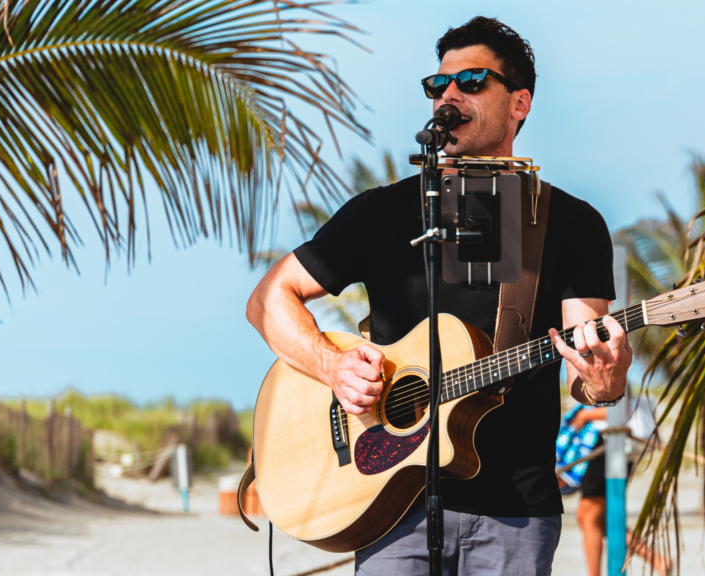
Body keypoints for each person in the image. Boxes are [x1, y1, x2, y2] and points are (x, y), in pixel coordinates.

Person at [246, 16, 631, 576]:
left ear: (519, 103)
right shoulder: (383, 212)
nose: (449, 95)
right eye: (439, 85)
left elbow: (586, 361)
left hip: (515, 515)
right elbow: (269, 298)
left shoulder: (571, 224)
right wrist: (332, 366)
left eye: (472, 81)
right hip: (389, 503)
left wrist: (604, 381)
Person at [565, 398, 669, 576]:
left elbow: (622, 406)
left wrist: (586, 415)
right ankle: (657, 560)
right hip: (608, 445)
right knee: (602, 520)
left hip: (608, 445)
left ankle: (594, 574)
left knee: (588, 516)